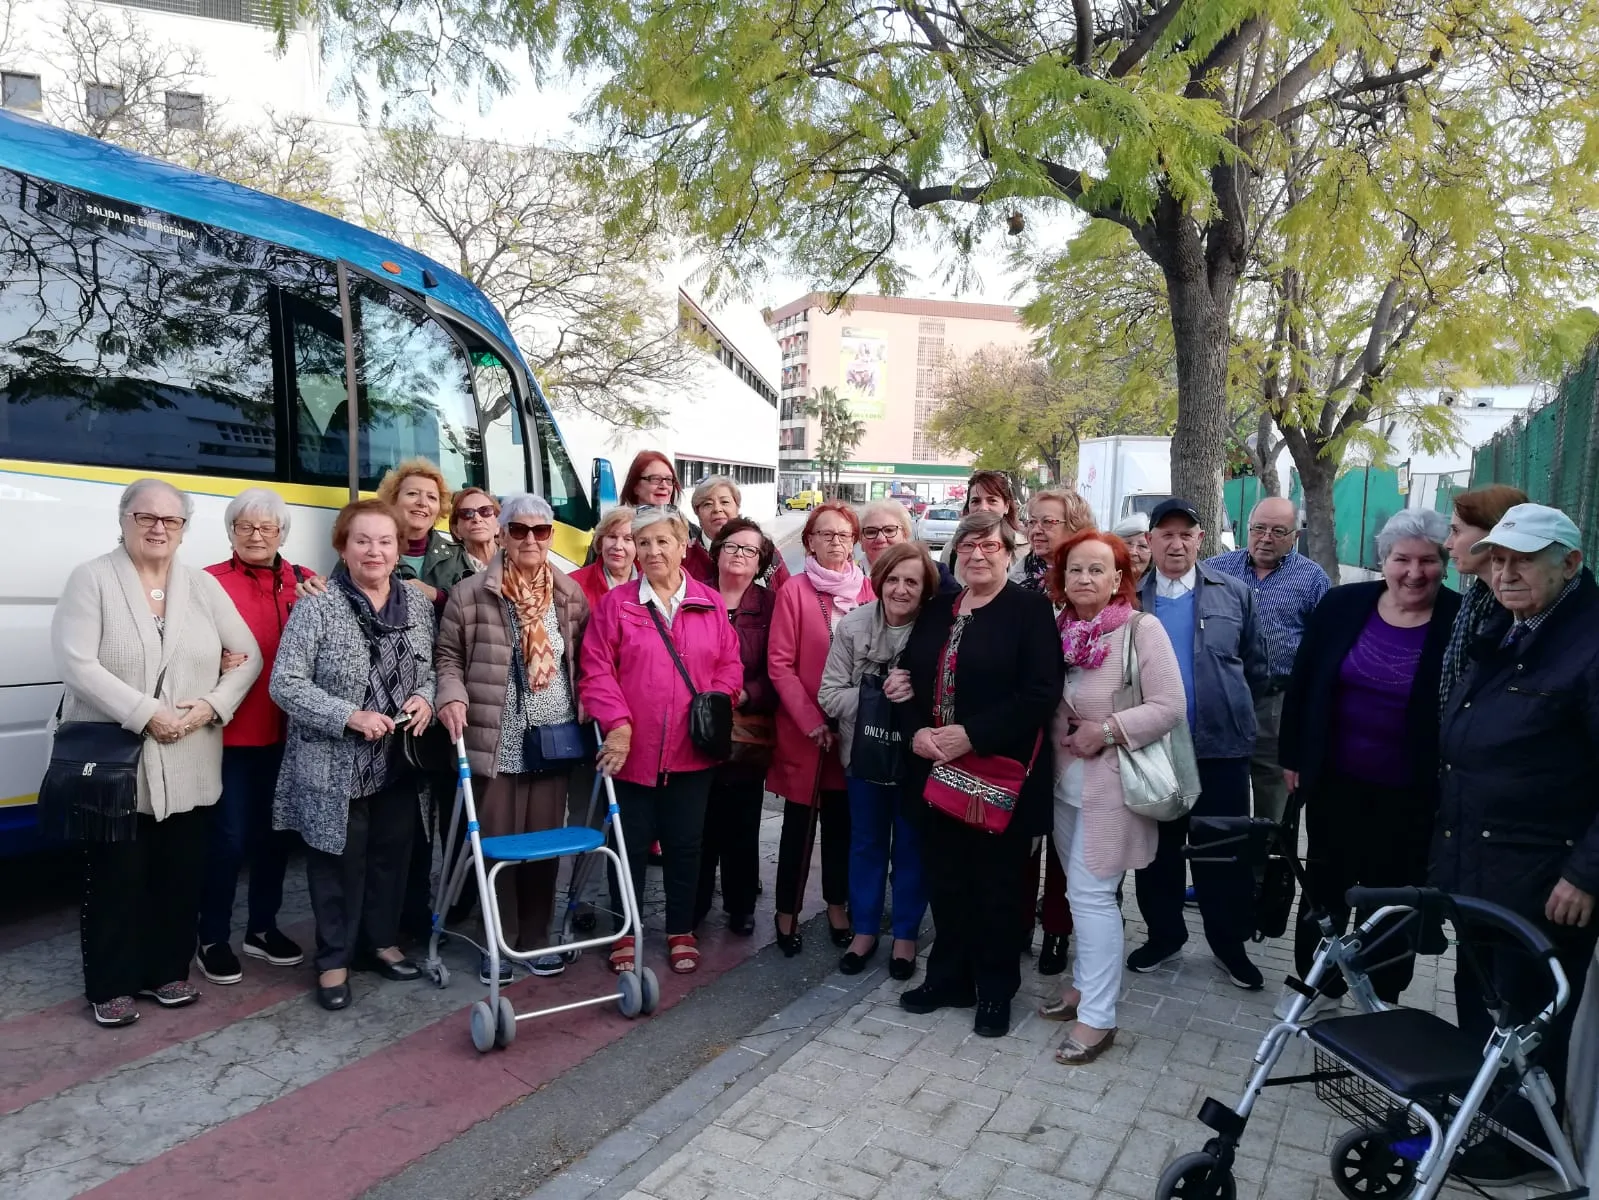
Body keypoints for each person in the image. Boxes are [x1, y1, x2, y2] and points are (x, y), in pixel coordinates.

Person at [1431, 503, 1599, 1187]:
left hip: (1543, 877)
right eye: (1496, 560)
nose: (1503, 573)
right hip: (1480, 860)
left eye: (1521, 561)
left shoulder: (1586, 643)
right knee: (1487, 1005)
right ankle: (1487, 1113)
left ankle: (1523, 1144)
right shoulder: (1513, 624)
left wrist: (1586, 873)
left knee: (1530, 1019)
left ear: (1569, 564)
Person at [51, 479, 261, 1027]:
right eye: (145, 517)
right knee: (115, 879)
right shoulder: (91, 579)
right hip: (119, 764)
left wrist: (210, 707)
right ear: (123, 520)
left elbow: (248, 655)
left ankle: (167, 972)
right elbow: (78, 664)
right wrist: (149, 713)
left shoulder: (202, 587)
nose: (158, 527)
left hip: (190, 756)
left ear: (185, 529)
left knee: (178, 874)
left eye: (171, 520)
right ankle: (111, 984)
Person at [1277, 509, 1459, 1018]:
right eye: (1402, 559)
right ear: (1384, 560)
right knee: (1325, 886)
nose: (1414, 572)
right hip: (1335, 780)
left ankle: (1382, 994)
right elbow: (1305, 682)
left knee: (1395, 895)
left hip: (1413, 790)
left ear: (1446, 563)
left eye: (1428, 560)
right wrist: (1292, 754)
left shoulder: (1459, 618)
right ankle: (1316, 987)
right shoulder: (1343, 605)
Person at [899, 511, 1064, 1037]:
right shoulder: (938, 609)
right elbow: (908, 678)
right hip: (936, 771)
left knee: (996, 887)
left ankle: (995, 991)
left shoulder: (1029, 610)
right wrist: (915, 732)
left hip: (997, 772)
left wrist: (973, 734)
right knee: (946, 882)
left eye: (988, 545)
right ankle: (948, 977)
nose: (976, 554)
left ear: (1009, 552)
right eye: (967, 545)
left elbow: (1041, 693)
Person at [270, 499, 436, 1012]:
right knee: (337, 866)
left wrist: (427, 696)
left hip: (399, 761)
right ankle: (334, 960)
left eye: (385, 541)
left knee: (391, 858)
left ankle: (380, 944)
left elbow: (435, 666)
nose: (374, 551)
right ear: (342, 546)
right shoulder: (318, 603)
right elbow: (285, 682)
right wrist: (348, 715)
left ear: (398, 548)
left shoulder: (419, 603)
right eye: (362, 540)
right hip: (336, 765)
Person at [579, 505, 743, 976]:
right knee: (626, 846)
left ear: (682, 546)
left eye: (661, 542)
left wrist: (717, 699)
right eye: (641, 542)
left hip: (691, 753)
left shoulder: (709, 603)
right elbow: (595, 671)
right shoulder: (618, 604)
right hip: (630, 753)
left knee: (685, 845)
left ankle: (679, 930)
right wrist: (619, 723)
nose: (650, 551)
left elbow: (730, 665)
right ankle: (625, 931)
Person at [1043, 530, 1185, 1064]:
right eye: (1075, 569)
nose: (1085, 578)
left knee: (1091, 895)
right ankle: (1082, 986)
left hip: (1115, 785)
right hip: (1065, 785)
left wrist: (1104, 732)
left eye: (1097, 569)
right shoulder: (1060, 628)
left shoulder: (1139, 630)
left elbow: (1171, 705)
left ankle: (1098, 1018)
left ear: (1119, 578)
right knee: (1081, 893)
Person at [435, 494, 589, 984]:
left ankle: (536, 940)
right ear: (501, 533)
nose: (529, 540)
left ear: (550, 536)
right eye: (518, 530)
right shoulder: (470, 594)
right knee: (498, 845)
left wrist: (593, 704)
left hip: (553, 739)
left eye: (540, 531)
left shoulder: (567, 594)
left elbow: (586, 661)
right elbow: (447, 659)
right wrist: (451, 696)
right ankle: (496, 944)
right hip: (495, 738)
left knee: (544, 845)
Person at [1131, 498, 1269, 989]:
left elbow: (1256, 666)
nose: (1176, 543)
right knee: (1157, 854)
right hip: (1152, 752)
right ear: (1149, 542)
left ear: (1200, 539)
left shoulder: (1233, 594)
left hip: (1220, 750)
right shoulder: (1130, 599)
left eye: (1186, 534)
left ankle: (1228, 946)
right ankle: (1163, 936)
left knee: (1221, 852)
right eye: (1165, 534)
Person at [194, 489, 310, 986]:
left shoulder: (306, 583)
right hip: (232, 737)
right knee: (228, 841)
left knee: (275, 839)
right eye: (245, 527)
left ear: (282, 533)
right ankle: (212, 937)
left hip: (289, 737)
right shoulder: (205, 584)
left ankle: (261, 929)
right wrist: (205, 661)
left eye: (267, 527)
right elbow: (176, 651)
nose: (257, 535)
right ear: (231, 533)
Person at [818, 541, 938, 980]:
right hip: (864, 758)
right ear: (879, 581)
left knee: (912, 847)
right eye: (893, 579)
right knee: (866, 845)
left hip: (916, 761)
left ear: (925, 590)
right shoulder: (853, 626)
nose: (901, 590)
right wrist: (875, 695)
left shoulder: (936, 630)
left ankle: (905, 934)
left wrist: (914, 696)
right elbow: (828, 694)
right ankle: (865, 930)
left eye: (912, 581)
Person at [768, 501, 874, 956]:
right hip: (804, 730)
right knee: (798, 827)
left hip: (852, 728)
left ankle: (837, 904)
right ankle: (786, 911)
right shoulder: (794, 590)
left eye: (843, 535)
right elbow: (780, 665)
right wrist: (812, 722)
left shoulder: (868, 590)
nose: (835, 542)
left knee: (841, 825)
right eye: (825, 534)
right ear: (809, 540)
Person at [1012, 487, 1095, 975]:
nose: (1038, 530)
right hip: (1024, 724)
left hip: (1073, 728)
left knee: (1066, 843)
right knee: (1023, 830)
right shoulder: (1020, 577)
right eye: (1033, 521)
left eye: (1049, 522)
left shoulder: (1084, 576)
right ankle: (1020, 920)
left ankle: (1058, 931)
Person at [1207, 497, 1330, 824]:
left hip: (1277, 706)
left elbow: (1323, 650)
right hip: (1223, 702)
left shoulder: (1313, 579)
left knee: (1274, 805)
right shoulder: (1216, 571)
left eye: (1278, 531)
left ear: (1295, 536)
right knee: (1220, 795)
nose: (1266, 537)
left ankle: (1267, 874)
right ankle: (1225, 871)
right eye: (1259, 528)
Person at [693, 517, 779, 936]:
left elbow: (781, 665)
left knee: (742, 821)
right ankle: (694, 903)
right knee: (698, 818)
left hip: (746, 728)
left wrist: (746, 693)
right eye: (732, 546)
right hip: (695, 723)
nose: (739, 555)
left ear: (761, 559)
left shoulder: (769, 605)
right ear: (717, 549)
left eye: (750, 550)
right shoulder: (693, 593)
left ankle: (741, 905)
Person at [1439, 483, 1528, 713]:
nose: (1447, 544)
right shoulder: (1475, 600)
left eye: (1456, 531)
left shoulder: (1524, 613)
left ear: (1494, 534)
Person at [686, 475, 791, 590]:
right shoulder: (685, 558)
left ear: (737, 506)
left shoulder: (764, 549)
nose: (717, 509)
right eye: (708, 504)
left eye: (725, 502)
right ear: (697, 512)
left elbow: (788, 596)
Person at [1013, 487, 1093, 591]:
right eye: (1032, 522)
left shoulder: (1096, 575)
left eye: (1047, 522)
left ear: (1074, 527)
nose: (1035, 530)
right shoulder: (1015, 580)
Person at [570, 506, 638, 612]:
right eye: (612, 537)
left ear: (639, 546)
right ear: (600, 541)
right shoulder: (572, 585)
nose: (618, 546)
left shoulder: (653, 582)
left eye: (628, 539)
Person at [448, 487, 502, 576]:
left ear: (497, 525)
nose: (477, 519)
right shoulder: (447, 569)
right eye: (467, 513)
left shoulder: (516, 558)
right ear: (456, 530)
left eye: (485, 511)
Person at [858, 499, 912, 569]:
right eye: (871, 532)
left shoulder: (923, 576)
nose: (880, 539)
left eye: (889, 530)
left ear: (905, 535)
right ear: (861, 540)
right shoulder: (845, 577)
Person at [1113, 513, 1152, 582]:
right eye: (1128, 543)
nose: (1133, 552)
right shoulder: (1102, 586)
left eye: (1142, 546)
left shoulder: (1158, 590)